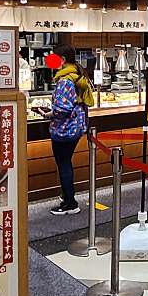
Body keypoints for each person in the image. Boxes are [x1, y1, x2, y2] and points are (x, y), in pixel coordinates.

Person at [46, 44, 95, 216]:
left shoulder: (65, 80)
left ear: (63, 59)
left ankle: (70, 203)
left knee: (64, 164)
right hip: (77, 126)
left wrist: (49, 114)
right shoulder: (77, 74)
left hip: (64, 129)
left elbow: (62, 109)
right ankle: (67, 196)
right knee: (66, 162)